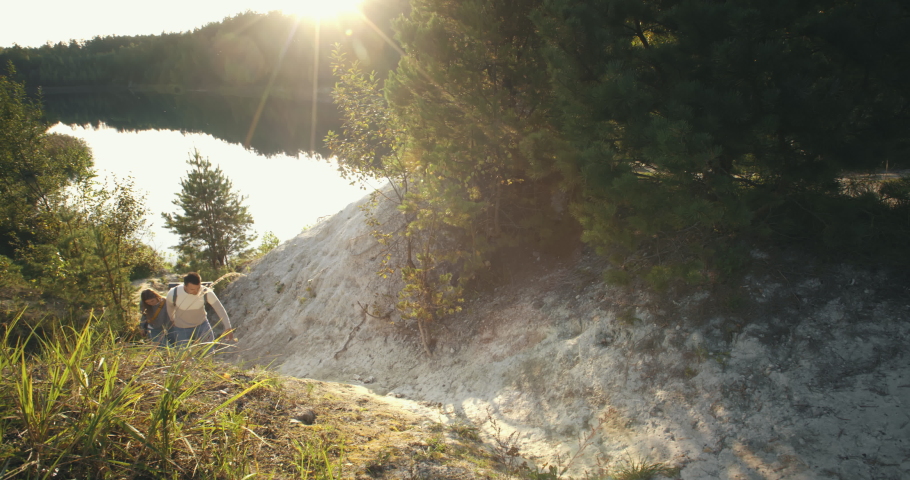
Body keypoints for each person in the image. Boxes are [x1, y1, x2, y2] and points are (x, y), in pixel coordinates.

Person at [167, 272, 235, 348]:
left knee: (209, 349)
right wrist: (172, 319)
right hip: (181, 328)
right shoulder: (173, 293)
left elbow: (219, 309)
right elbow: (170, 307)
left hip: (202, 326)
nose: (196, 292)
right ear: (185, 286)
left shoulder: (206, 292)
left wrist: (228, 327)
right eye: (192, 289)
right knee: (183, 352)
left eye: (198, 288)